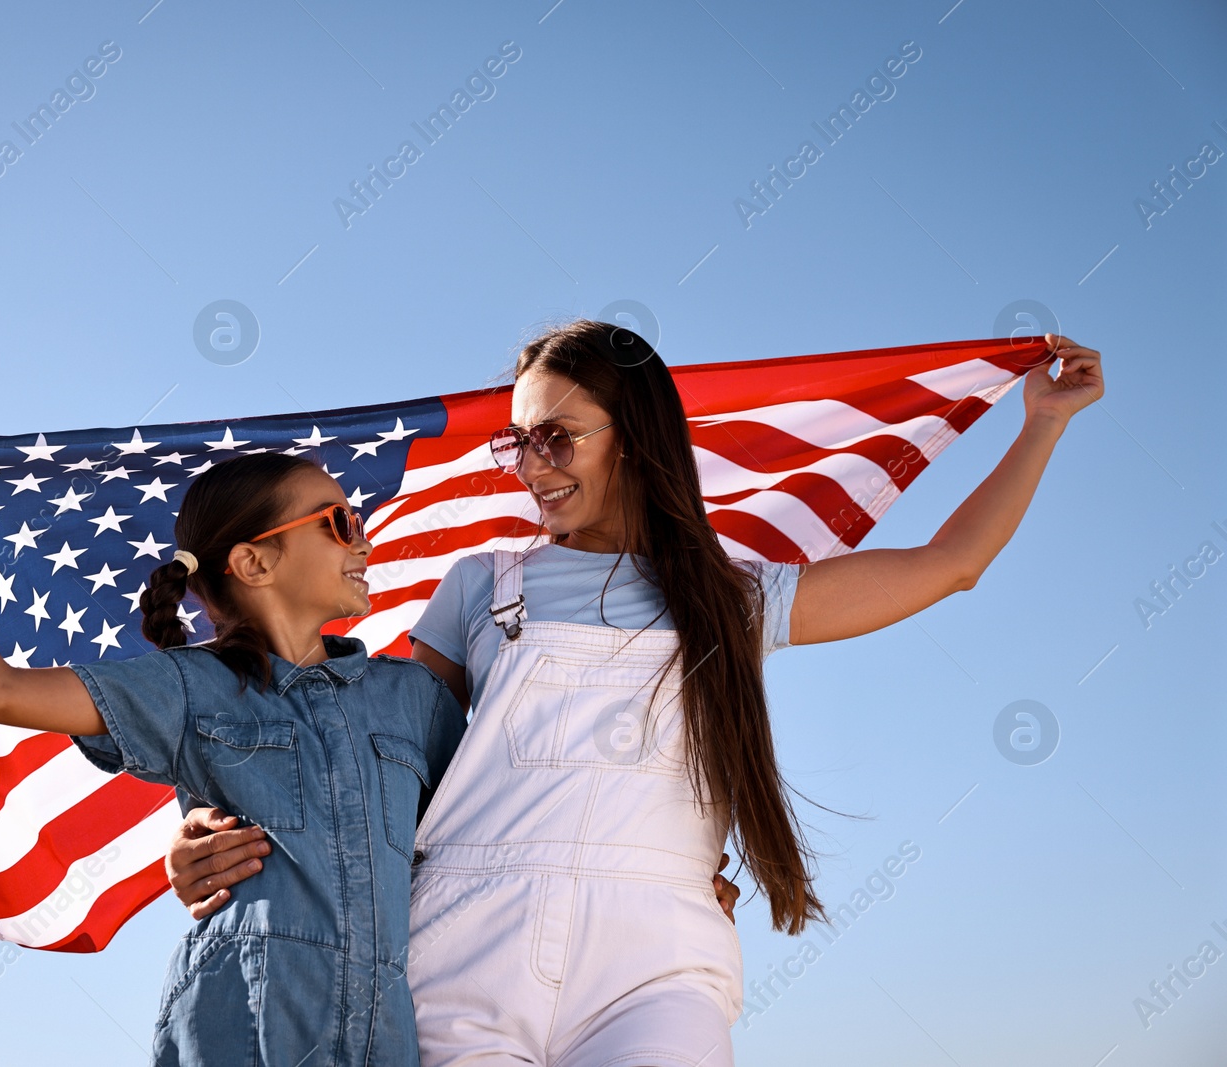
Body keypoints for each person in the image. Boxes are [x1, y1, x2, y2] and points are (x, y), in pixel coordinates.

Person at [165, 323, 1105, 1065]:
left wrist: (1043, 423)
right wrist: (208, 824)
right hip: (464, 942)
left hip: (655, 959)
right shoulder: (481, 586)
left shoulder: (733, 598)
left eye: (558, 437)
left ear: (636, 438)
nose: (534, 466)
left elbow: (951, 565)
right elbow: (372, 755)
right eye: (519, 441)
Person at [0, 440, 465, 1066]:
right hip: (236, 1019)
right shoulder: (187, 685)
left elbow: (489, 839)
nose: (364, 540)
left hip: (389, 1033)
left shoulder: (414, 698)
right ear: (254, 563)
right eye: (340, 522)